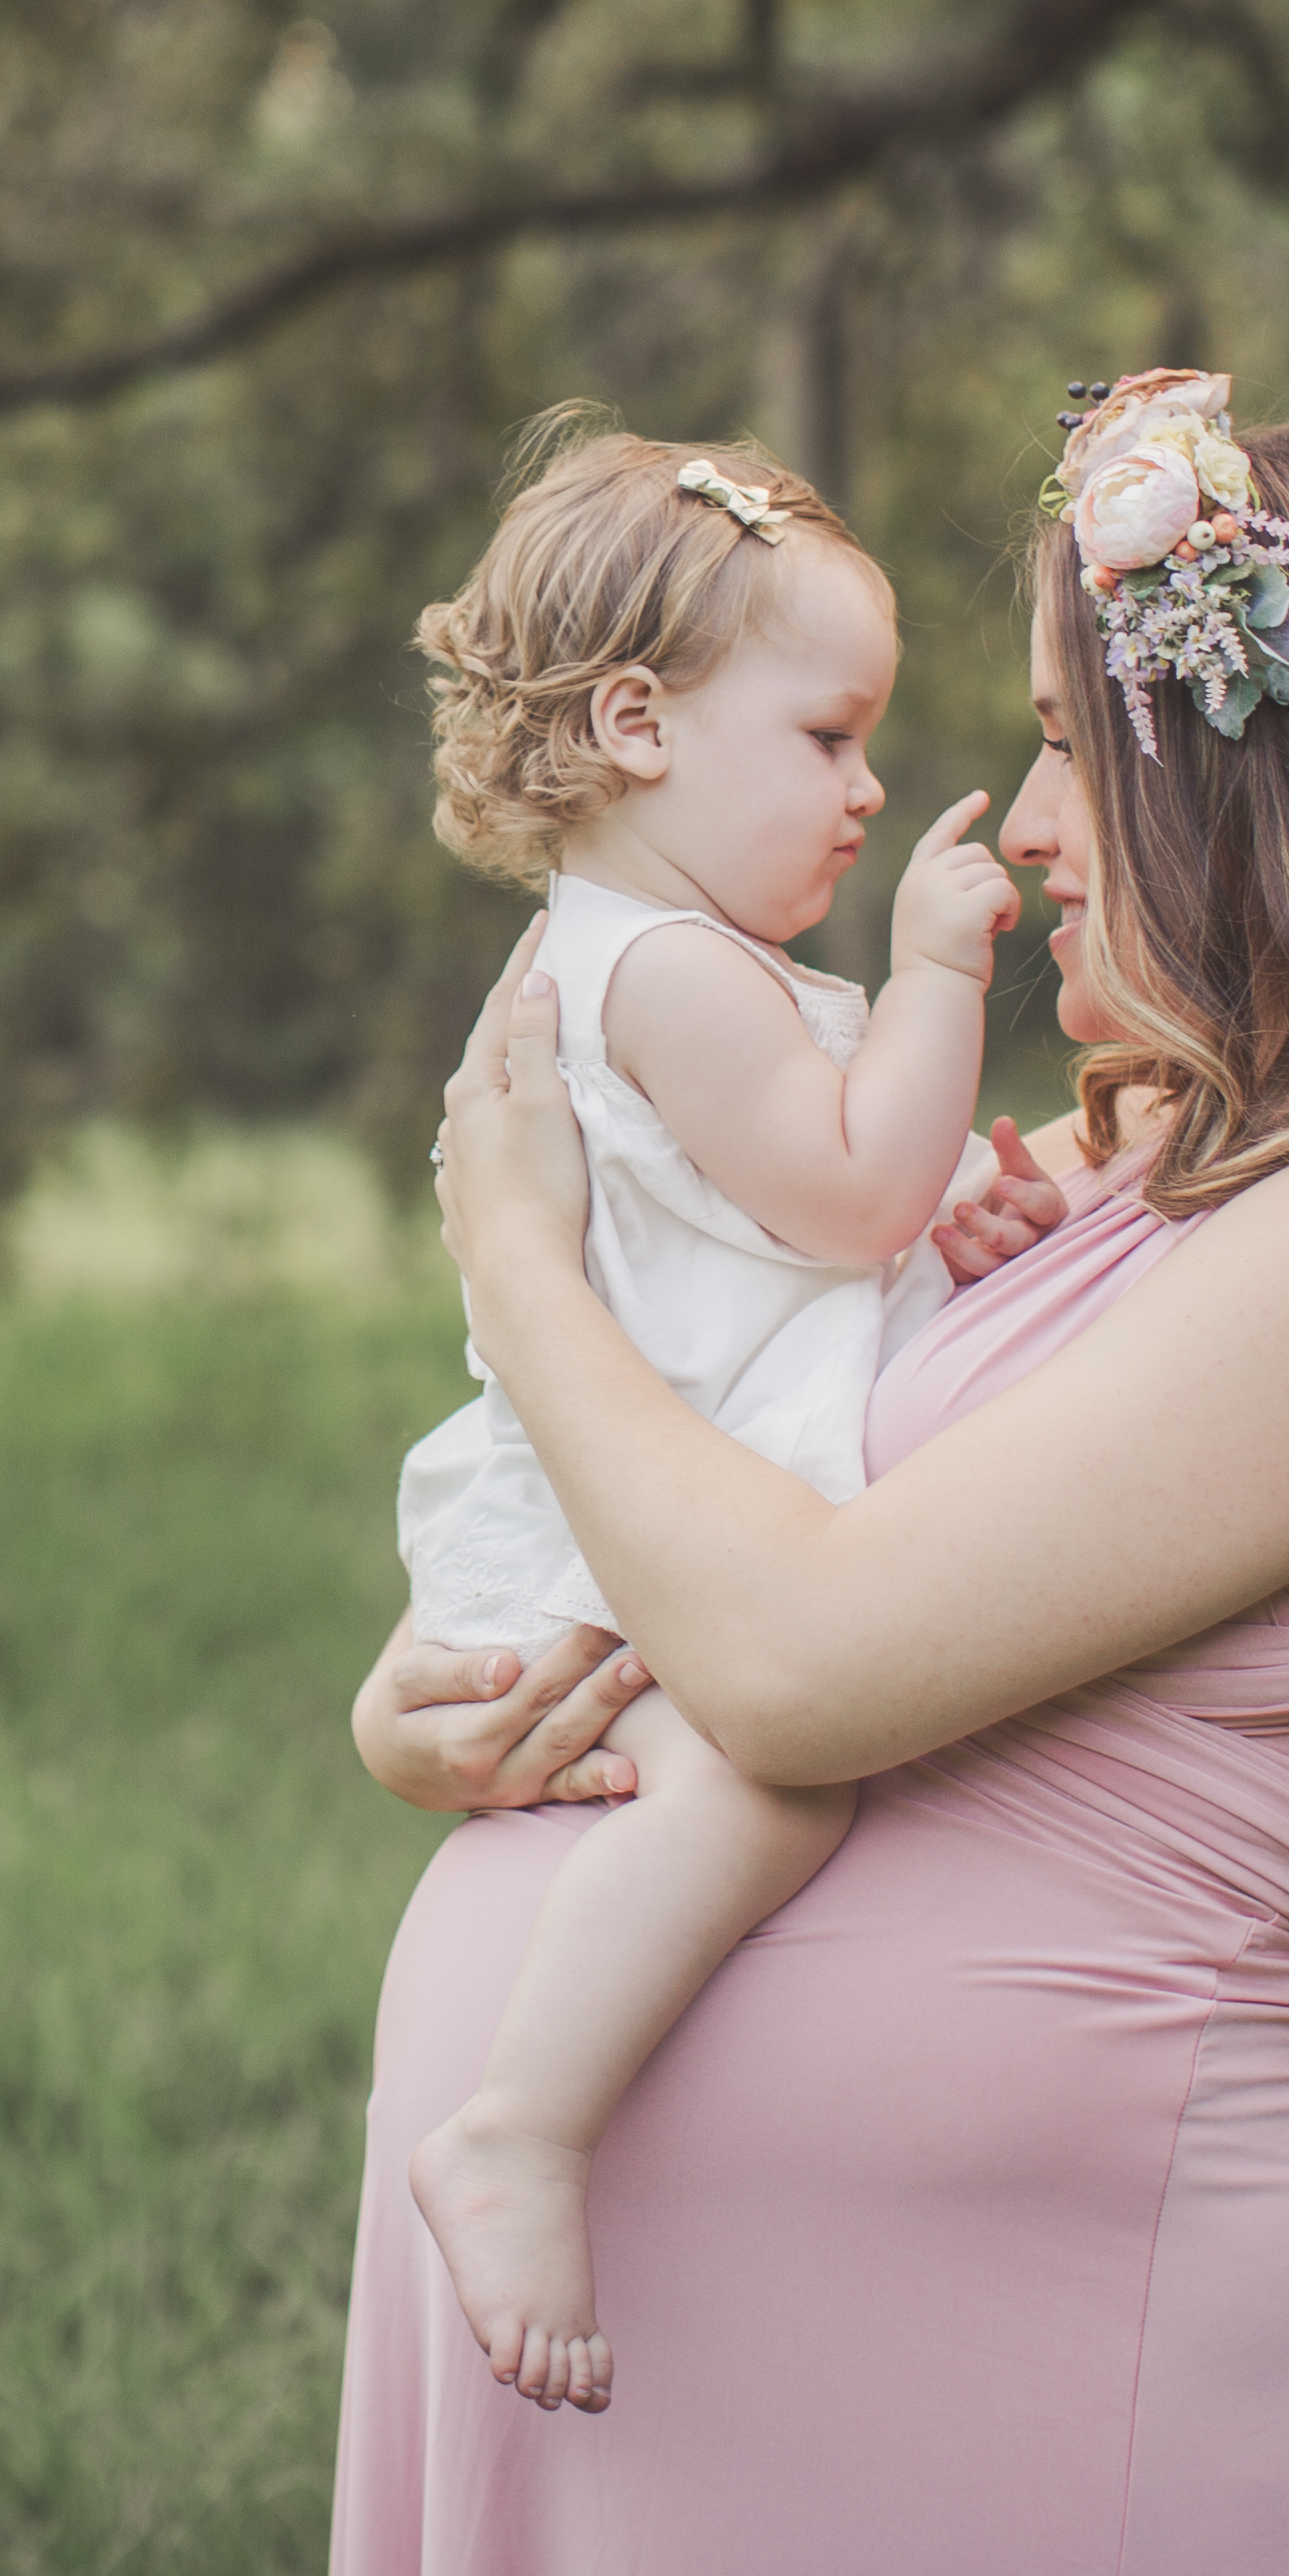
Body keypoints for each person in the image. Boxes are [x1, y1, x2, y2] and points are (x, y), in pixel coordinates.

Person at [331, 381, 1289, 2576]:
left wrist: (515, 1251)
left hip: (1051, 2391)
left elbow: (797, 1661)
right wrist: (471, 1714)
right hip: (723, 2381)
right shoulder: (1149, 1162)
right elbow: (744, 1483)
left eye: (1075, 744)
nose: (1026, 822)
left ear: (1243, 778)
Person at [386, 425, 1028, 2410]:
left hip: (647, 1496)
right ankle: (525, 2124)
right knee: (772, 1783)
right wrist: (932, 979)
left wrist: (958, 1196)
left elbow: (831, 1228)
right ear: (642, 722)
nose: (871, 785)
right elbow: (848, 1195)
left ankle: (532, 2117)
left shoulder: (654, 961)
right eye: (830, 739)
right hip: (626, 1542)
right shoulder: (670, 973)